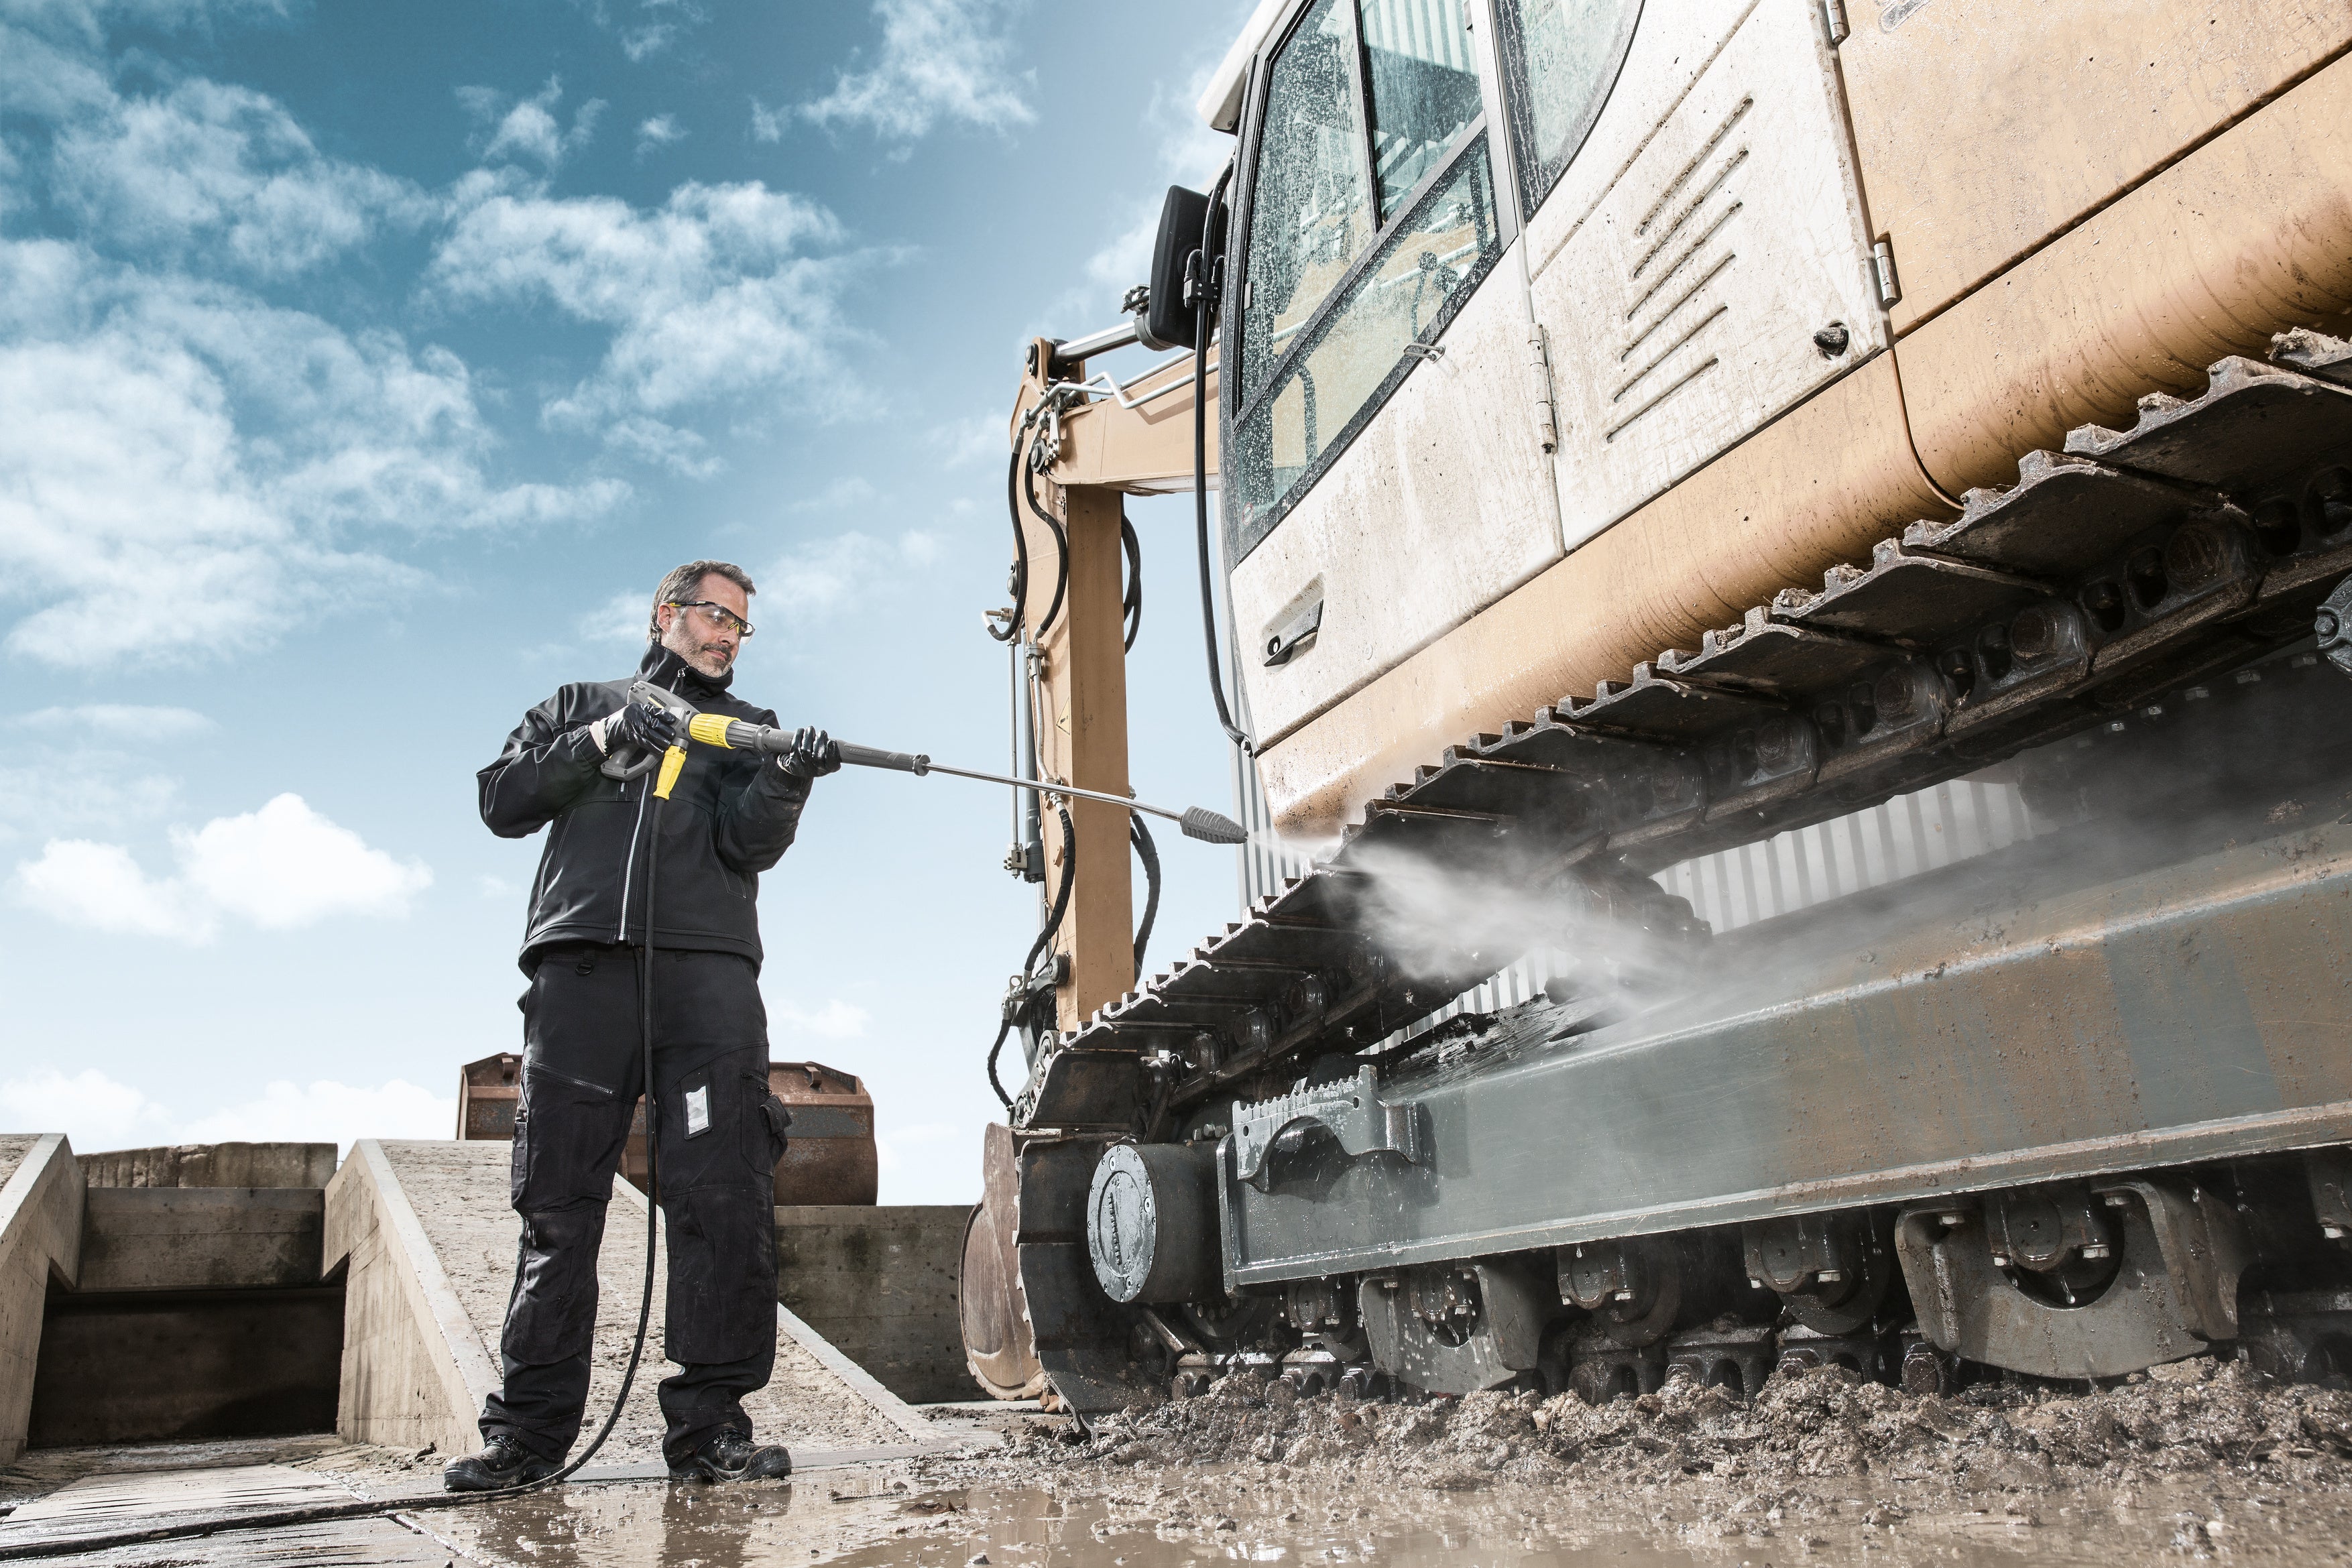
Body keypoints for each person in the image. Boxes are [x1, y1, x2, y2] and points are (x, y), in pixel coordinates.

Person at [445, 559, 840, 1490]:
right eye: (715, 616)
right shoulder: (579, 703)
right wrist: (605, 735)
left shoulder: (747, 735)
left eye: (743, 625)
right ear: (667, 614)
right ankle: (529, 1441)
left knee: (722, 1200)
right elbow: (502, 798)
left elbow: (749, 844)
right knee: (557, 1205)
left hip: (706, 984)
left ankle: (711, 1434)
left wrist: (788, 775)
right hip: (582, 976)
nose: (729, 636)